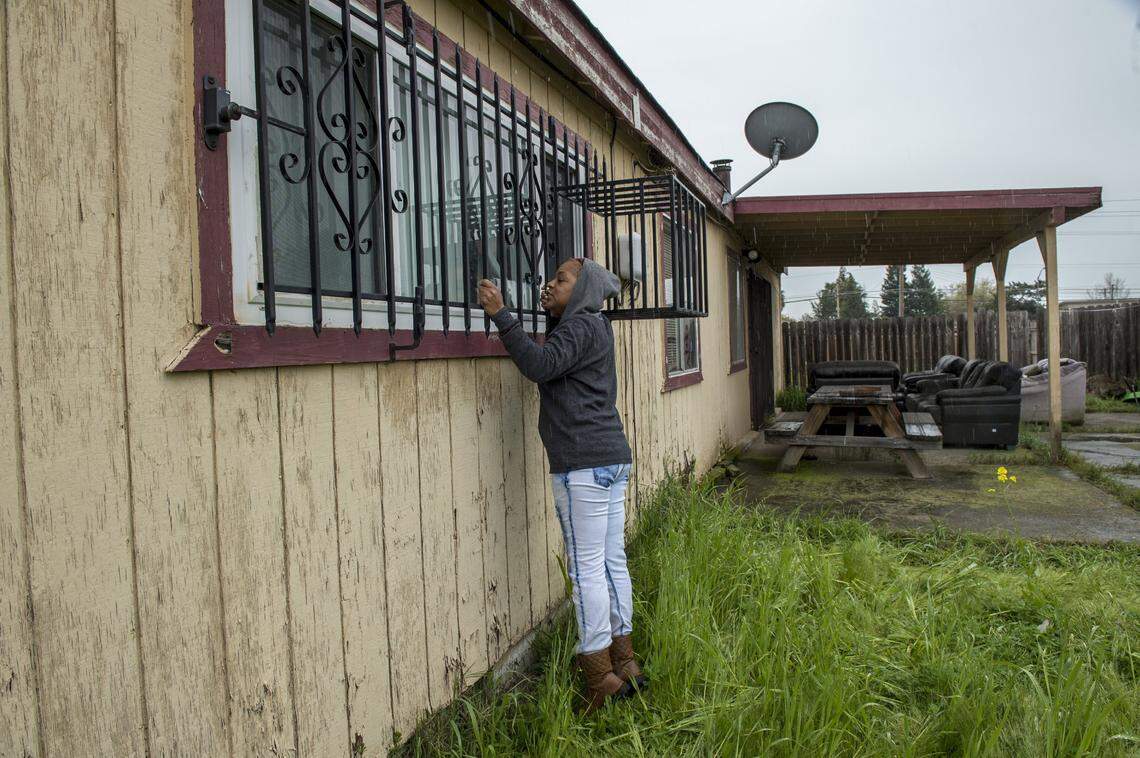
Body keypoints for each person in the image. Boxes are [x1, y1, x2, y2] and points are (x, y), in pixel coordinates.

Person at [478, 258, 647, 713]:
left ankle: (598, 677)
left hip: (582, 464)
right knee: (612, 561)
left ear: (584, 288)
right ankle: (624, 661)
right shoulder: (596, 327)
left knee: (586, 568)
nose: (549, 285)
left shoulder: (577, 329)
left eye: (561, 279)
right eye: (550, 278)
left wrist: (500, 314)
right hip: (611, 457)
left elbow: (539, 364)